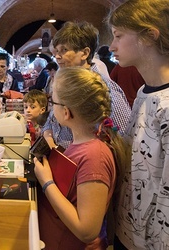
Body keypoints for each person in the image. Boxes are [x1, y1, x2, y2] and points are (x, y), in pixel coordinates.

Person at [34, 67, 130, 249]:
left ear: (66, 112)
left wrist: (46, 182)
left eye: (52, 101)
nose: (50, 107)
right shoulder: (80, 146)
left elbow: (87, 230)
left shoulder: (94, 157)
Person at [107, 1, 169, 249]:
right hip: (128, 231)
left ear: (149, 36)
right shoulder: (144, 91)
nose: (112, 46)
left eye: (119, 36)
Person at [42, 21, 131, 149]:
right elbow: (52, 121)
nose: (57, 56)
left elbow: (122, 138)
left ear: (84, 53)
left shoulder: (104, 88)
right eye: (56, 51)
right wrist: (50, 140)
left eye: (64, 50)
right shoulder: (66, 83)